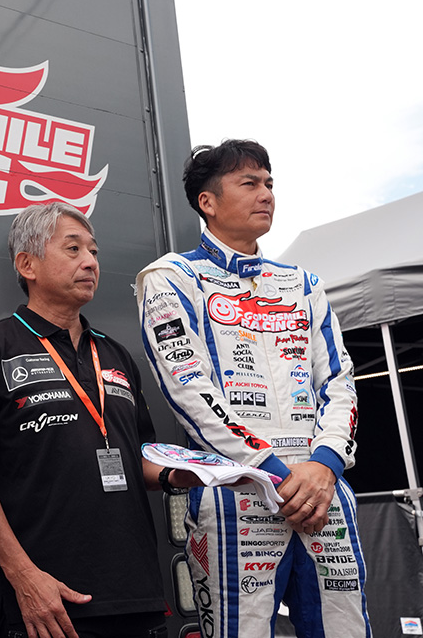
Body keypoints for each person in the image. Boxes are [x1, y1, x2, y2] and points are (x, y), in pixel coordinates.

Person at [136, 139, 370, 638]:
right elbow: (189, 388)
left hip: (322, 490)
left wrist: (325, 465)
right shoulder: (172, 277)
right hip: (237, 494)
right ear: (207, 201)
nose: (266, 194)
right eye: (249, 183)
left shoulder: (303, 284)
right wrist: (274, 474)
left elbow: (339, 380)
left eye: (269, 183)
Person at [0, 201, 200, 638]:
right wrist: (24, 576)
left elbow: (140, 457)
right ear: (27, 265)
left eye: (94, 252)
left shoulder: (116, 354)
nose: (90, 262)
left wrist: (178, 475)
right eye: (73, 248)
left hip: (135, 595)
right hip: (47, 604)